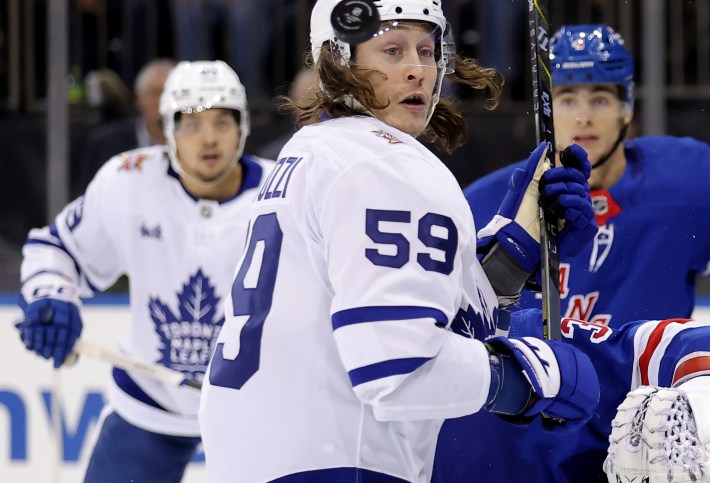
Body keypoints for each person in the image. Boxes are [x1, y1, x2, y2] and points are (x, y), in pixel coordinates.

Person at [198, 1, 603, 482]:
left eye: (427, 50)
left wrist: (512, 252)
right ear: (337, 61)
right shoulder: (383, 165)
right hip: (339, 465)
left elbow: (400, 313)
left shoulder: (315, 151)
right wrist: (534, 377)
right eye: (392, 49)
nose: (416, 70)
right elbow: (397, 369)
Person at [433, 23, 710, 481]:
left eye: (600, 99)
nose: (584, 117)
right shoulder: (487, 204)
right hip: (525, 443)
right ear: (545, 109)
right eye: (568, 98)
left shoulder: (679, 182)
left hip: (651, 439)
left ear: (627, 108)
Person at [14, 60, 275, 482]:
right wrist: (51, 296)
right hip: (150, 402)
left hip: (257, 408)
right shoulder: (128, 181)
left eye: (222, 123)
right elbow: (56, 248)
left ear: (243, 127)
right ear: (166, 130)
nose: (208, 139)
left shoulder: (282, 195)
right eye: (191, 124)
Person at [77, 58, 176, 195]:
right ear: (139, 98)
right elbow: (89, 200)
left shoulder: (195, 144)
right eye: (156, 92)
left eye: (171, 93)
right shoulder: (105, 145)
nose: (164, 101)